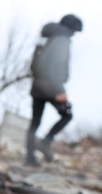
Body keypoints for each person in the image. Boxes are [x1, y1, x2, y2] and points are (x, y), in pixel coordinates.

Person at [26, 14, 83, 166]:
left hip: (38, 84)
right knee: (67, 114)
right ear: (70, 28)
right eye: (75, 31)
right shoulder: (62, 39)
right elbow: (55, 65)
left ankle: (29, 158)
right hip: (51, 86)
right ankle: (46, 141)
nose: (74, 35)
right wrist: (59, 90)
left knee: (35, 122)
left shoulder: (49, 36)